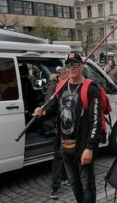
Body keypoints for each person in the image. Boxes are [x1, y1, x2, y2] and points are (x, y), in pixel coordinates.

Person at [33, 52, 101, 203]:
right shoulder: (61, 87)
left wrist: (90, 147)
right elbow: (55, 108)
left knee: (87, 185)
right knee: (75, 183)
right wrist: (42, 111)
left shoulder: (91, 89)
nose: (71, 68)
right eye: (68, 65)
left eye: (75, 65)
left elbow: (95, 120)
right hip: (65, 146)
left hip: (82, 146)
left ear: (81, 67)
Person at [44, 66, 69, 199]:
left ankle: (66, 178)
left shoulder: (71, 88)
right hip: (58, 126)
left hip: (69, 127)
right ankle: (55, 187)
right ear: (61, 76)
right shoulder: (55, 88)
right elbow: (50, 107)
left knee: (66, 154)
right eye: (67, 77)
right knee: (59, 156)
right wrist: (45, 114)